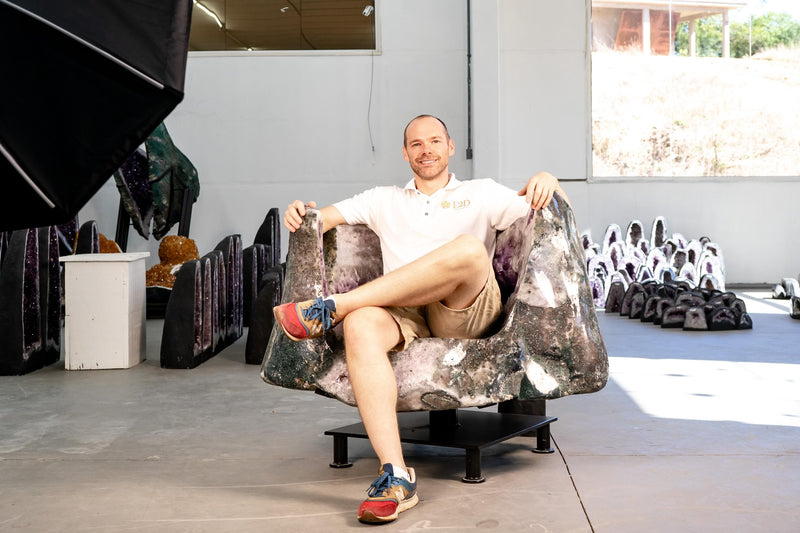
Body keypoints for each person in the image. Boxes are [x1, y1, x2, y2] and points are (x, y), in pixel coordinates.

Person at [274, 114, 569, 524]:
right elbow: (320, 217)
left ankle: (335, 307)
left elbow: (549, 210)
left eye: (434, 141)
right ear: (405, 152)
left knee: (467, 248)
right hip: (405, 312)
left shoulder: (481, 193)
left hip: (463, 309)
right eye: (416, 143)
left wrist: (549, 178)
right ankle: (396, 475)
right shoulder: (383, 199)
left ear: (449, 147)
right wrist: (300, 212)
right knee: (360, 326)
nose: (426, 149)